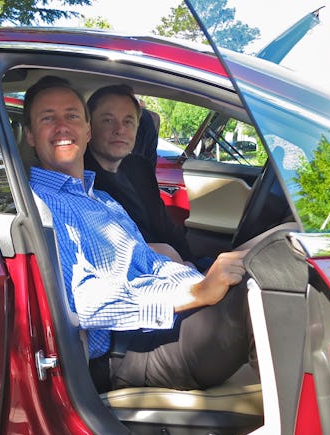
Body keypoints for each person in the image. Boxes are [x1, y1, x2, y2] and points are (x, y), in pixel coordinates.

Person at [25, 75, 252, 393]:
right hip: (124, 352)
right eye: (48, 118)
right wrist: (196, 293)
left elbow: (148, 262)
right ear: (30, 136)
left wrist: (197, 280)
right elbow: (87, 305)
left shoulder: (100, 198)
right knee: (263, 288)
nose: (63, 126)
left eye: (72, 116)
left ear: (86, 131)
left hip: (156, 322)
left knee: (260, 262)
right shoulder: (41, 204)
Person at [85, 84, 195, 263]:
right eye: (108, 120)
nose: (120, 129)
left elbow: (166, 227)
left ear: (137, 128)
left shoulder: (139, 167)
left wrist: (192, 264)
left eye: (128, 121)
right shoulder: (82, 181)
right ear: (89, 128)